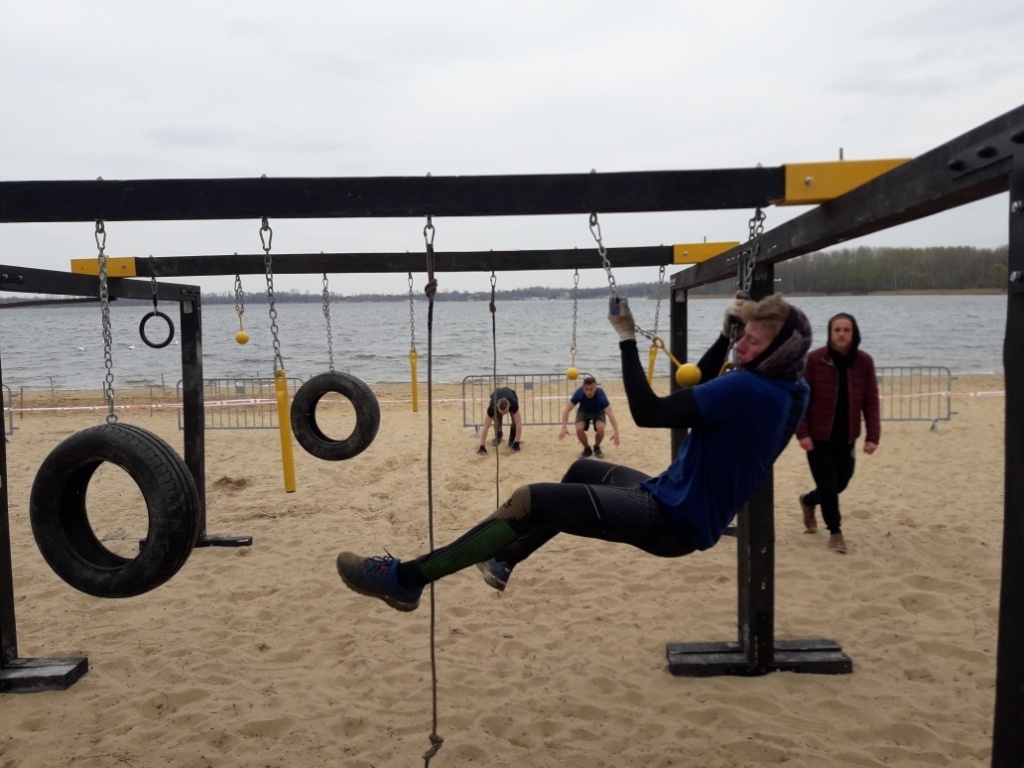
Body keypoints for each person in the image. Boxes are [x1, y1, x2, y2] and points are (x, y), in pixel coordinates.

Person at [336, 292, 812, 611]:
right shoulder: (791, 389)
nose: (742, 349)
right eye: (742, 338)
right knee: (581, 469)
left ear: (779, 351)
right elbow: (701, 388)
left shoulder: (747, 389)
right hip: (673, 500)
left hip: (670, 520)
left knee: (530, 500)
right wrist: (728, 336)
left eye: (753, 342)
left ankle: (407, 580)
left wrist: (626, 338)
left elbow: (650, 411)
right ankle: (506, 559)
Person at [796, 312, 880, 554]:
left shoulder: (864, 362)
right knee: (828, 485)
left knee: (840, 482)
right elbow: (801, 399)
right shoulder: (814, 360)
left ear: (854, 333)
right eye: (837, 330)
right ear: (830, 333)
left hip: (847, 436)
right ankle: (835, 532)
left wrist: (873, 436)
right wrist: (802, 433)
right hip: (818, 436)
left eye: (846, 330)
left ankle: (808, 501)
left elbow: (871, 400)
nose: (842, 334)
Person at [559, 376, 621, 458]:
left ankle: (597, 447)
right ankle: (587, 448)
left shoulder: (600, 395)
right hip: (584, 411)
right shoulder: (579, 393)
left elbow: (610, 414)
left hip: (598, 411)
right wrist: (564, 427)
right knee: (578, 428)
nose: (588, 392)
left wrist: (616, 433)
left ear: (595, 388)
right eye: (586, 389)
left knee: (600, 429)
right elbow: (567, 410)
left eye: (591, 389)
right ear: (583, 388)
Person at [477, 386, 523, 454]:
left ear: (509, 406)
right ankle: (499, 435)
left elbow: (518, 423)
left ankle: (512, 439)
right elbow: (485, 427)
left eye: (505, 412)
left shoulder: (513, 404)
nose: (503, 414)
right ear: (497, 406)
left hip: (510, 394)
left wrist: (517, 443)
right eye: (501, 412)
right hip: (496, 394)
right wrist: (482, 446)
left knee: (515, 422)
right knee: (497, 421)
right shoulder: (492, 408)